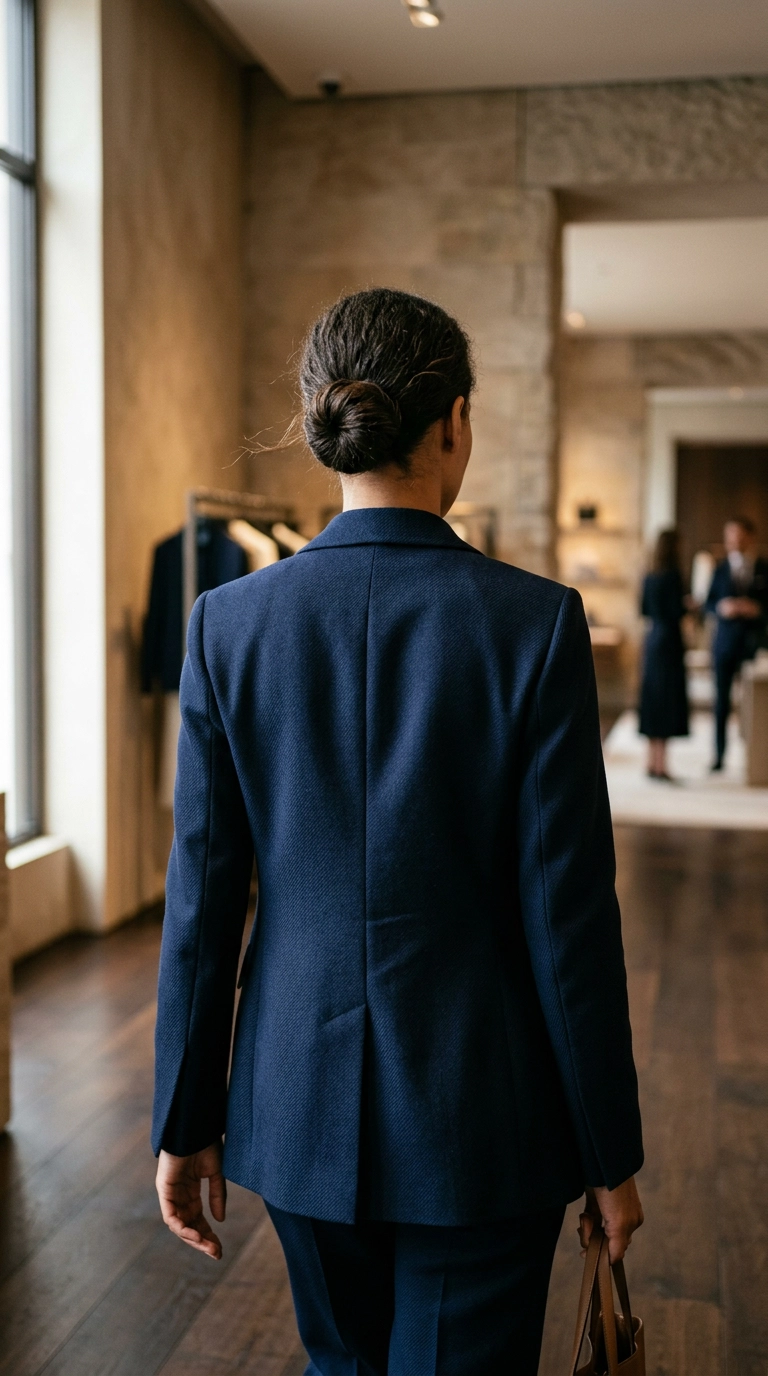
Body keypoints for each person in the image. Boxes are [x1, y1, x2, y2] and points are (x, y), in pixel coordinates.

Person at [152, 288, 644, 1376]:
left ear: (329, 421)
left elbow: (203, 902)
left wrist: (182, 1119)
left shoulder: (227, 624)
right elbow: (570, 918)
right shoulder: (535, 622)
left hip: (294, 1100)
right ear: (454, 423)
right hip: (484, 1113)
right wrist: (611, 1148)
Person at [705, 516, 768, 771]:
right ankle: (719, 756)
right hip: (725, 645)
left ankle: (757, 756)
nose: (735, 540)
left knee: (758, 704)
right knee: (721, 702)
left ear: (750, 538)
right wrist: (723, 607)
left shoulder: (763, 568)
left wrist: (757, 609)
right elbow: (708, 603)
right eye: (731, 535)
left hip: (754, 645)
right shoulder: (719, 568)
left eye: (740, 535)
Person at [638, 529, 690, 781]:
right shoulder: (673, 575)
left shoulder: (649, 575)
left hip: (652, 639)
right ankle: (661, 765)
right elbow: (677, 611)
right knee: (667, 701)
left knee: (653, 699)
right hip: (669, 640)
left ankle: (651, 761)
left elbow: (644, 609)